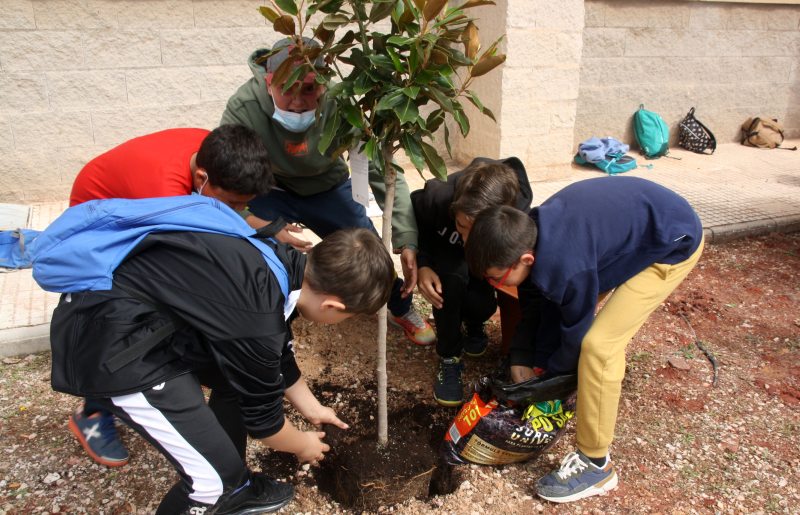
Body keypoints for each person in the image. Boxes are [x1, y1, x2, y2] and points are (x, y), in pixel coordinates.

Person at [45, 218, 395, 514]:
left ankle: (233, 476)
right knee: (211, 485)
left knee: (238, 385)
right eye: (347, 317)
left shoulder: (281, 262)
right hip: (113, 347)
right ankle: (226, 484)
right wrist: (301, 444)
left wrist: (313, 408)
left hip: (139, 317)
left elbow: (274, 358)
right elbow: (266, 423)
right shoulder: (258, 316)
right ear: (333, 305)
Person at [465, 176, 704, 503]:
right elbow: (537, 302)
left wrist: (550, 385)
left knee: (599, 348)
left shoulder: (567, 267)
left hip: (673, 242)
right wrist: (522, 358)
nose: (495, 284)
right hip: (636, 229)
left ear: (526, 261)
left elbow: (574, 335)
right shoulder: (528, 234)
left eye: (496, 277)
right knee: (560, 311)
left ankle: (596, 465)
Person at [66, 125, 274, 469]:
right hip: (99, 220)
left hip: (136, 194)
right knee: (117, 319)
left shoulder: (217, 149)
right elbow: (188, 261)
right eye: (233, 203)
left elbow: (222, 218)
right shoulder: (163, 195)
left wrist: (266, 228)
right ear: (202, 177)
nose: (237, 210)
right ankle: (92, 411)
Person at [220, 36, 434, 347]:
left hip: (328, 185)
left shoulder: (342, 103)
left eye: (308, 89)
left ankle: (399, 307)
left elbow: (381, 170)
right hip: (270, 187)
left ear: (324, 80)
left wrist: (406, 237)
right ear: (268, 82)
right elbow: (224, 178)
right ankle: (272, 326)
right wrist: (259, 223)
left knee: (369, 252)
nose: (297, 102)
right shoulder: (244, 107)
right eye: (286, 89)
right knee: (257, 252)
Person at [411, 157, 532, 406]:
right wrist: (423, 262)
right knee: (448, 284)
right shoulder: (438, 197)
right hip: (446, 258)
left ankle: (475, 323)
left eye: (475, 232)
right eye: (461, 225)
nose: (466, 238)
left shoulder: (517, 212)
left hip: (483, 262)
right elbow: (418, 222)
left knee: (482, 304)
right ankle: (449, 356)